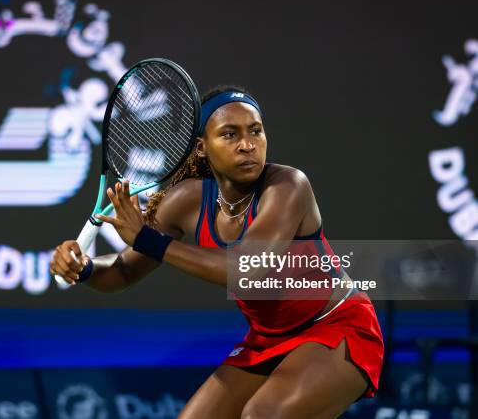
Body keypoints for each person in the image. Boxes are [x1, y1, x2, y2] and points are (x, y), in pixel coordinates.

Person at [50, 86, 384, 419]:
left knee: (264, 415)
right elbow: (123, 270)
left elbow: (247, 271)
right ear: (201, 148)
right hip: (267, 340)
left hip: (337, 326)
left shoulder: (287, 186)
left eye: (256, 131)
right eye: (229, 134)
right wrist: (86, 268)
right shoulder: (186, 202)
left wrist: (148, 240)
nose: (248, 145)